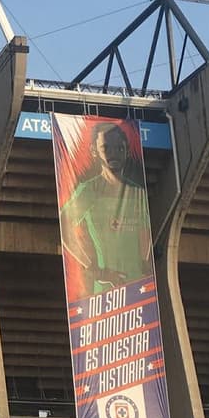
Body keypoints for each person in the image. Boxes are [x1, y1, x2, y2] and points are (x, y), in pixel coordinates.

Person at [57, 120, 152, 299]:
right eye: (106, 148)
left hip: (138, 287)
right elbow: (65, 224)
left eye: (119, 148)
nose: (114, 153)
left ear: (126, 150)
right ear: (94, 151)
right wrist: (96, 271)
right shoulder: (90, 190)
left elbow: (144, 231)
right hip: (106, 291)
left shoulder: (137, 191)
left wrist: (145, 264)